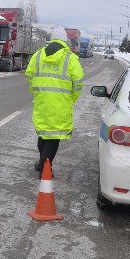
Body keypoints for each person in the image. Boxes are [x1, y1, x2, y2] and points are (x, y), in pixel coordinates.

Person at [25, 39, 84, 176]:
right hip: (61, 103)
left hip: (42, 101)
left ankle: (41, 164)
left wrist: (38, 92)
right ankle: (45, 170)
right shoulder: (70, 58)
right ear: (64, 41)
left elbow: (29, 75)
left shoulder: (38, 55)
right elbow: (78, 82)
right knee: (53, 136)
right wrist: (71, 98)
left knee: (44, 134)